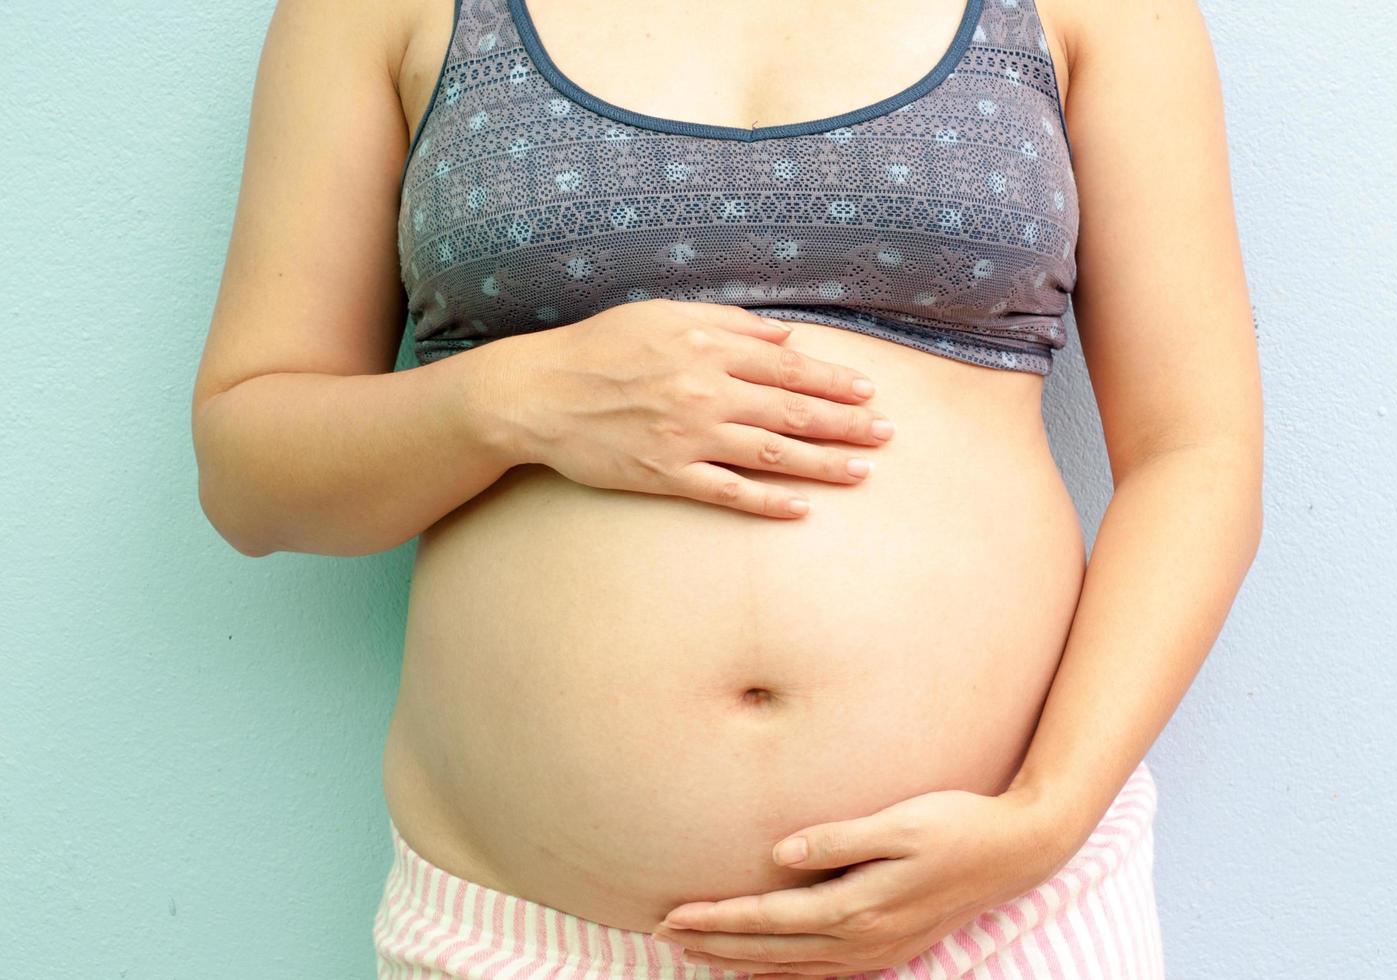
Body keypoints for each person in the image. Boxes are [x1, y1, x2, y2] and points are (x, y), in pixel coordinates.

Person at [191, 0, 1263, 976]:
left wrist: (1047, 814)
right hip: (526, 933)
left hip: (996, 913)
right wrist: (510, 397)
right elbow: (249, 473)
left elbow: (1194, 451)